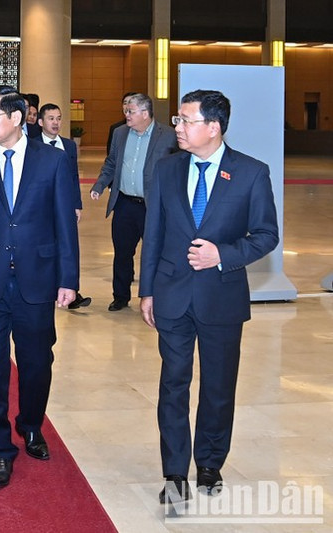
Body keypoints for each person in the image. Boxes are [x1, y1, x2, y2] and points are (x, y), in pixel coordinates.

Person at [139, 90, 279, 504]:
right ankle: (174, 472)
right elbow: (155, 233)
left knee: (218, 387)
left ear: (213, 128)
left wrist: (224, 255)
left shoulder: (251, 173)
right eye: (178, 120)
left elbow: (267, 235)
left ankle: (210, 462)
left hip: (221, 296)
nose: (177, 127)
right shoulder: (166, 169)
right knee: (173, 384)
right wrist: (146, 290)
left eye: (185, 120)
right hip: (172, 294)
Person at [0, 85, 79, 489]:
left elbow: (65, 225)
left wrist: (68, 278)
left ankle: (30, 425)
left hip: (37, 280)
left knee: (37, 362)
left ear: (16, 116)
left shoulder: (55, 162)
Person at [90, 93, 177, 312]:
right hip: (124, 204)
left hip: (153, 206)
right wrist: (99, 185)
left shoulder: (168, 135)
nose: (126, 115)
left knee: (154, 252)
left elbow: (178, 168)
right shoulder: (120, 133)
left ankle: (154, 296)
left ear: (145, 113)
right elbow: (111, 162)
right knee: (122, 252)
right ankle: (120, 296)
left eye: (130, 111)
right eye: (125, 111)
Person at [38, 102, 91, 310]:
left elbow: (73, 176)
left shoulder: (68, 146)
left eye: (59, 118)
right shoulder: (32, 144)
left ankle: (71, 289)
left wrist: (76, 204)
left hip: (64, 205)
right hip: (41, 206)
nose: (56, 123)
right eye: (51, 118)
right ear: (41, 122)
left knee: (67, 245)